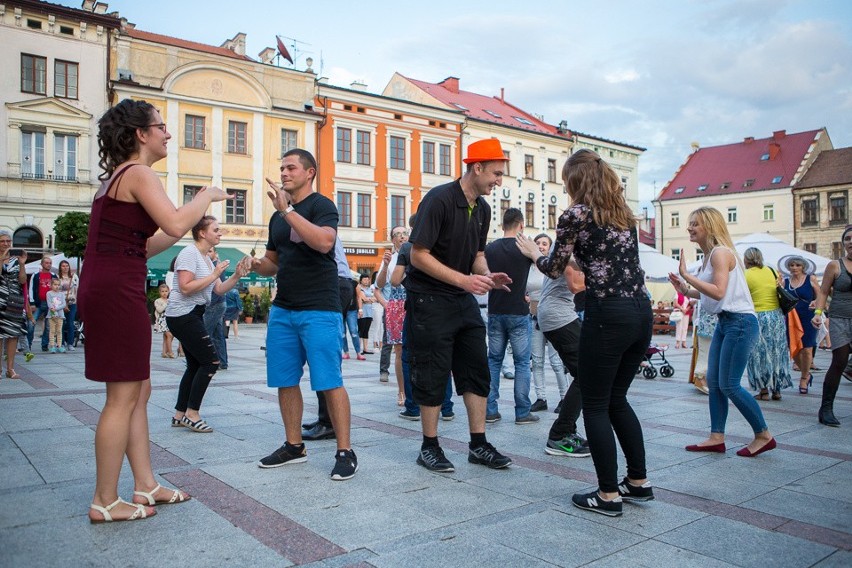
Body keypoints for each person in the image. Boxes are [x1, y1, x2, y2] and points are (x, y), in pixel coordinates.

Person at [79, 99, 230, 522]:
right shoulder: (139, 172)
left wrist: (182, 229)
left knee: (138, 391)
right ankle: (104, 500)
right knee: (122, 396)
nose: (167, 133)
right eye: (161, 126)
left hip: (114, 280)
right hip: (116, 288)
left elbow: (143, 244)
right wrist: (205, 196)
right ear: (140, 134)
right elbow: (178, 224)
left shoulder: (120, 177)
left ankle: (145, 484)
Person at [517, 148, 653, 517]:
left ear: (576, 181)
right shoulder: (624, 216)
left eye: (565, 182)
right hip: (641, 311)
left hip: (607, 313)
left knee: (594, 403)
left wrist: (533, 253)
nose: (564, 188)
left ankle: (608, 494)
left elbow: (554, 266)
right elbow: (609, 260)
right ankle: (638, 483)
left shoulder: (575, 214)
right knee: (617, 399)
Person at [404, 137, 513, 474]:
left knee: (476, 368)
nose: (499, 181)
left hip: (460, 299)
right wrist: (465, 280)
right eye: (496, 173)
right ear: (476, 167)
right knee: (432, 371)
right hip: (429, 298)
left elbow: (477, 255)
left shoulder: (483, 208)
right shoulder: (439, 199)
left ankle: (478, 444)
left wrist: (486, 275)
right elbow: (417, 255)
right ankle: (429, 447)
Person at [252, 149, 358, 481]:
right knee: (285, 380)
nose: (284, 172)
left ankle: (345, 450)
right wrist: (256, 265)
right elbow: (274, 261)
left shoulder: (321, 206)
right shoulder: (276, 218)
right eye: (281, 167)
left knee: (329, 380)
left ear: (309, 172)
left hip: (319, 306)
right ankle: (294, 446)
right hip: (284, 307)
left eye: (291, 168)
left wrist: (288, 211)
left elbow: (325, 242)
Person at [669, 206, 775, 459]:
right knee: (715, 383)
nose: (689, 228)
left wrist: (687, 276)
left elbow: (717, 291)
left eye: (695, 223)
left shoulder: (720, 253)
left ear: (709, 226)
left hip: (740, 323)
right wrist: (684, 287)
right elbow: (710, 292)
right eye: (689, 223)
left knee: (729, 384)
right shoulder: (708, 256)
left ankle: (763, 435)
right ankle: (716, 437)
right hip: (725, 322)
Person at [167, 219, 248, 432]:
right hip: (183, 314)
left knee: (195, 365)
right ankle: (192, 414)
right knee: (211, 362)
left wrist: (237, 275)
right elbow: (185, 287)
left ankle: (179, 414)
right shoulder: (189, 253)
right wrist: (213, 274)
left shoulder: (205, 258)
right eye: (216, 230)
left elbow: (219, 289)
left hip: (193, 313)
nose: (220, 233)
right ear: (202, 233)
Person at [516, 236, 590, 457]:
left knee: (583, 374)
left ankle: (566, 431)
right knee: (586, 374)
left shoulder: (568, 248)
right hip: (558, 316)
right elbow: (575, 285)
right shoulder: (570, 249)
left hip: (555, 314)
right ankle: (559, 435)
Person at [391, 213, 455, 422]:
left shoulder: (408, 248)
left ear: (411, 229)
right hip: (442, 308)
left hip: (417, 308)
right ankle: (447, 407)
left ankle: (412, 407)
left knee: (410, 357)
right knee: (441, 357)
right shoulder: (441, 245)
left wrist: (410, 283)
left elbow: (394, 280)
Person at [485, 208, 537, 424]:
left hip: (495, 311)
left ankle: (490, 411)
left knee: (494, 361)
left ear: (502, 225)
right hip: (518, 312)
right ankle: (522, 412)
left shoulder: (490, 248)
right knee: (522, 363)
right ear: (521, 224)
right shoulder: (524, 248)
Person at [810, 225, 852, 427]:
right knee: (839, 361)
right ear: (844, 243)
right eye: (848, 238)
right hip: (839, 319)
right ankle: (826, 409)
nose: (851, 241)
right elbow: (824, 291)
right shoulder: (835, 266)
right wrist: (818, 313)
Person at [527, 233, 570, 413]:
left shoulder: (554, 266)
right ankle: (540, 398)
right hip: (534, 319)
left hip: (552, 319)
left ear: (550, 247)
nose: (541, 246)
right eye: (538, 243)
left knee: (556, 361)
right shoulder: (529, 267)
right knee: (536, 361)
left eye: (545, 243)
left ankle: (564, 398)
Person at [742, 247, 791, 400]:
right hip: (776, 316)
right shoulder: (771, 271)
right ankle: (777, 390)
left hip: (757, 317)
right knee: (777, 352)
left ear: (746, 259)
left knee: (758, 354)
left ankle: (763, 391)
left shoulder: (745, 275)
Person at [376, 227, 408, 404]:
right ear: (392, 239)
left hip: (414, 302)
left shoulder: (414, 252)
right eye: (397, 234)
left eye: (404, 233)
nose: (402, 236)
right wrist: (386, 265)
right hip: (396, 305)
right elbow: (379, 285)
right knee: (399, 350)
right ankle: (402, 391)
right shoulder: (390, 258)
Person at [781, 255, 821, 394]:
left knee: (807, 348)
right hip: (791, 317)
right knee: (794, 348)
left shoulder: (811, 279)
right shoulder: (785, 281)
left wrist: (817, 303)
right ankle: (805, 371)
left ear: (803, 266)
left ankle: (804, 377)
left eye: (797, 265)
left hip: (808, 315)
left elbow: (821, 294)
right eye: (792, 265)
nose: (794, 268)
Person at [0, 231, 28, 379]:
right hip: (0, 300)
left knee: (12, 335)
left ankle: (10, 369)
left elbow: (22, 281)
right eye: (2, 241)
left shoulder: (15, 260)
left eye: (8, 241)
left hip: (14, 300)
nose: (5, 244)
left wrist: (22, 264)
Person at [202, 247, 229, 371]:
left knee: (205, 333)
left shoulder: (214, 266)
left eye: (210, 251)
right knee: (218, 335)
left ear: (215, 253)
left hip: (214, 304)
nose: (208, 253)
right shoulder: (216, 265)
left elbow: (215, 287)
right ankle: (222, 362)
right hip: (219, 303)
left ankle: (208, 361)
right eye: (208, 251)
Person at [28, 255, 55, 352]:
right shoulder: (35, 275)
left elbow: (57, 290)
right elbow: (31, 289)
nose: (49, 265)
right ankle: (28, 345)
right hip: (38, 304)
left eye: (50, 263)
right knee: (31, 324)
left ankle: (44, 345)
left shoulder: (54, 276)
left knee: (48, 326)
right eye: (47, 263)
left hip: (50, 305)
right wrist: (31, 303)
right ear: (42, 264)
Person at [57, 260, 79, 351]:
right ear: (60, 267)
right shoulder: (58, 277)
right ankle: (61, 343)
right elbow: (56, 291)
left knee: (70, 323)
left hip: (72, 302)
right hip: (61, 303)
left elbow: (77, 289)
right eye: (63, 266)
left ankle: (70, 343)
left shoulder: (74, 276)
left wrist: (77, 301)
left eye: (67, 266)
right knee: (61, 324)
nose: (65, 268)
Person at [153, 283, 174, 358]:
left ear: (168, 291)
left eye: (166, 291)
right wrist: (165, 304)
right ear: (159, 292)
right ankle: (170, 352)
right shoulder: (158, 301)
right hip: (162, 321)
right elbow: (159, 310)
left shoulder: (170, 300)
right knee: (169, 335)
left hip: (169, 319)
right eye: (162, 291)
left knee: (166, 337)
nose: (164, 293)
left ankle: (164, 352)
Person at [356, 273, 375, 355]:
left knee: (366, 330)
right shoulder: (359, 288)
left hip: (369, 312)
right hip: (362, 312)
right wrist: (370, 299)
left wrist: (368, 299)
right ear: (361, 280)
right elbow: (363, 298)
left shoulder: (370, 289)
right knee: (361, 330)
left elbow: (375, 298)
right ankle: (358, 349)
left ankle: (365, 349)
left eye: (367, 279)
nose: (366, 281)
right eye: (364, 279)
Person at [45, 278, 66, 353]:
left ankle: (59, 345)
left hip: (60, 315)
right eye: (55, 284)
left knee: (59, 331)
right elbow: (49, 304)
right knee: (52, 331)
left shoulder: (61, 294)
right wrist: (54, 313)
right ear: (51, 285)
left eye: (58, 285)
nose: (57, 286)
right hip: (51, 315)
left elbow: (64, 304)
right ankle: (52, 346)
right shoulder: (49, 293)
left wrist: (56, 309)